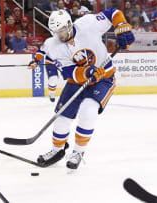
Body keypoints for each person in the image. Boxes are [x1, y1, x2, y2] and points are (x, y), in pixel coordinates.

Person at [32, 9, 134, 169]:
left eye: (62, 30)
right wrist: (86, 72)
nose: (60, 35)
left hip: (104, 77)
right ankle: (57, 150)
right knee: (61, 118)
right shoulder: (54, 45)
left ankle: (78, 152)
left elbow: (113, 13)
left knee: (88, 110)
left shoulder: (88, 24)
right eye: (56, 32)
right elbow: (68, 71)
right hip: (76, 81)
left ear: (69, 24)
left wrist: (121, 26)